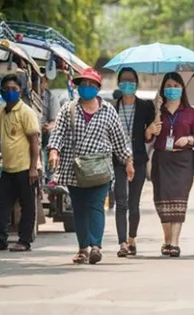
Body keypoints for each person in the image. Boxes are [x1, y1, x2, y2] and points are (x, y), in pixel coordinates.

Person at [47, 68, 134, 264]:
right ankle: (82, 248)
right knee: (78, 208)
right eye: (82, 84)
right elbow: (58, 134)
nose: (86, 87)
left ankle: (96, 246)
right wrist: (54, 151)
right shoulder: (67, 109)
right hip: (74, 169)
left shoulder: (108, 111)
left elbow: (119, 140)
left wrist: (128, 161)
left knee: (96, 206)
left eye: (90, 84)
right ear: (77, 87)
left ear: (97, 87)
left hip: (99, 169)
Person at [0, 74, 40, 252]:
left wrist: (33, 168)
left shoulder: (26, 113)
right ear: (2, 91)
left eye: (14, 89)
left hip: (25, 168)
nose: (11, 92)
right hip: (8, 169)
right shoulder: (1, 111)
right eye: (7, 89)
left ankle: (24, 241)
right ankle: (0, 240)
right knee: (0, 204)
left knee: (27, 207)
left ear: (20, 91)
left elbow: (34, 141)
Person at [148, 72, 194, 257]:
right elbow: (147, 137)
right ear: (163, 89)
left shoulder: (190, 112)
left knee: (179, 201)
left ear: (182, 88)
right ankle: (166, 239)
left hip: (183, 161)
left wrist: (188, 139)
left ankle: (174, 242)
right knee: (162, 201)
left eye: (176, 86)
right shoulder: (156, 109)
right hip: (161, 159)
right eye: (169, 86)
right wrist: (154, 116)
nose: (172, 89)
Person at [113, 67, 162, 257]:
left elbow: (151, 135)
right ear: (119, 83)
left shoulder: (146, 106)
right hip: (117, 160)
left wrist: (150, 130)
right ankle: (122, 243)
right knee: (121, 202)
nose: (128, 84)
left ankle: (132, 238)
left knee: (134, 203)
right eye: (124, 81)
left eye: (131, 81)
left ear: (136, 84)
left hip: (139, 160)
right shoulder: (111, 107)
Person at [39, 67, 60, 180]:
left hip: (44, 133)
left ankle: (50, 174)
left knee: (51, 135)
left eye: (40, 81)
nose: (36, 83)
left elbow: (55, 121)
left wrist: (46, 127)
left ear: (46, 82)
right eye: (34, 79)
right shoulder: (25, 96)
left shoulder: (51, 97)